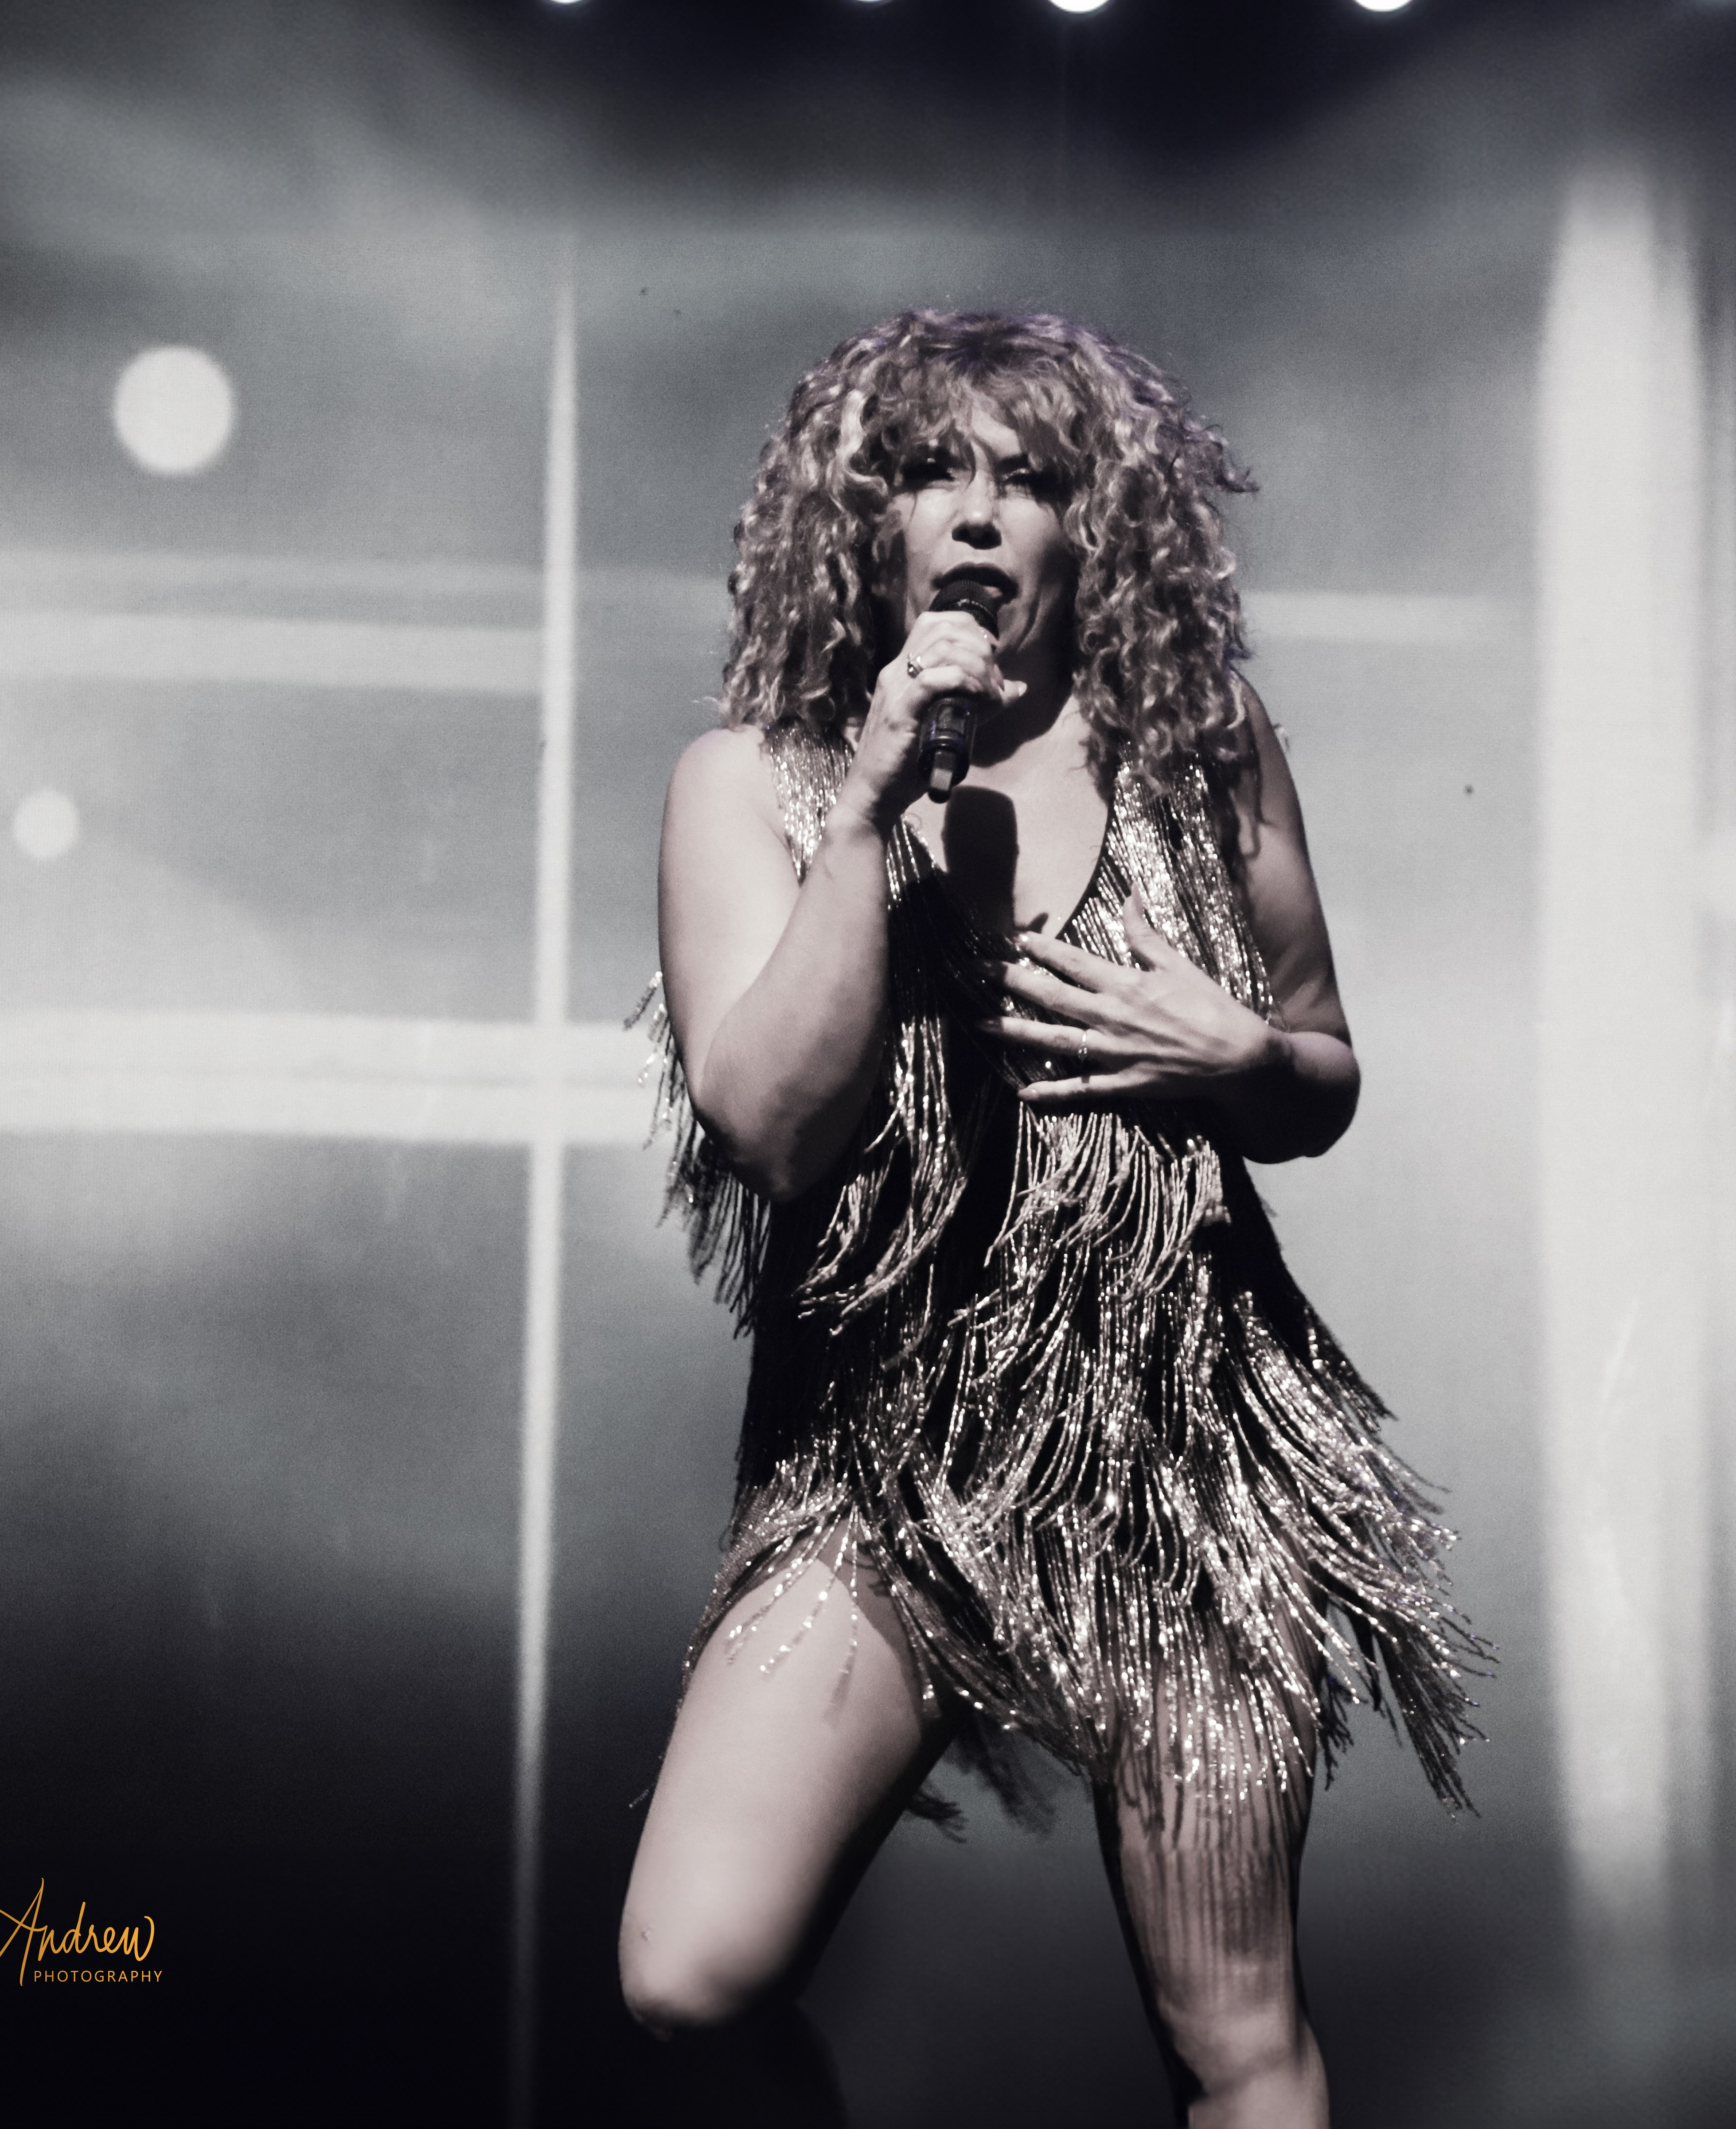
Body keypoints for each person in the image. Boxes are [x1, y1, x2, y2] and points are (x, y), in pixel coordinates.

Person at [617, 310, 1478, 2129]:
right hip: (875, 1470)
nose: (980, 513)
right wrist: (870, 809)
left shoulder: (1203, 754)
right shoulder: (748, 785)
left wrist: (1242, 1052)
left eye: (1031, 479)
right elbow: (771, 1127)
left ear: (1098, 535)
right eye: (934, 474)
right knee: (689, 1977)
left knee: (1237, 2036)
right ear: (866, 528)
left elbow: (1321, 1074)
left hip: (1176, 1465)